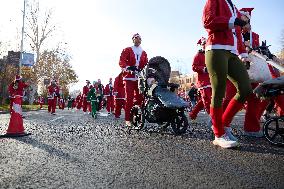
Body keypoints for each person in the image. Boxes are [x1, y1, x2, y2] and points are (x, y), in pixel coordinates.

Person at [203, 0, 253, 148]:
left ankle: (224, 124)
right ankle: (218, 134)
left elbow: (237, 33)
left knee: (246, 89)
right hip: (216, 48)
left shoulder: (233, 7)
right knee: (219, 91)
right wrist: (234, 21)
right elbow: (208, 21)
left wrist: (243, 55)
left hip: (232, 52)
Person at [119, 33, 148, 126]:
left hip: (139, 78)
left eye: (139, 38)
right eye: (136, 38)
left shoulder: (143, 52)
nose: (138, 40)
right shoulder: (127, 49)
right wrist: (128, 68)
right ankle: (128, 119)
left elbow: (146, 64)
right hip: (129, 78)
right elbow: (122, 61)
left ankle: (136, 116)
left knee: (140, 98)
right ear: (133, 39)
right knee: (129, 99)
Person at [189, 38, 212, 121]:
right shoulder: (198, 55)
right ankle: (213, 118)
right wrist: (204, 69)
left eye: (207, 43)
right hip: (203, 82)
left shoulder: (211, 54)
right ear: (202, 45)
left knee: (204, 100)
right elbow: (193, 67)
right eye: (204, 44)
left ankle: (193, 113)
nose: (206, 45)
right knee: (207, 100)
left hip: (212, 80)